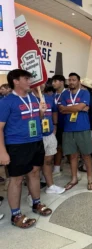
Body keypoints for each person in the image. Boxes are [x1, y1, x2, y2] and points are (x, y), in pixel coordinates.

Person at [0, 69, 52, 228]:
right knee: (16, 179)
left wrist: (42, 113)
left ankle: (36, 203)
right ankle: (15, 215)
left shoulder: (33, 98)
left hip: (36, 141)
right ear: (15, 81)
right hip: (17, 145)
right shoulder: (6, 101)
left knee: (35, 173)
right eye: (26, 78)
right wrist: (2, 152)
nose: (30, 81)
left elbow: (37, 118)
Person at [58, 72, 92, 191]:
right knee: (72, 156)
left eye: (74, 80)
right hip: (68, 129)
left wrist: (71, 108)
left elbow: (78, 107)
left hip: (83, 128)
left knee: (86, 155)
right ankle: (74, 178)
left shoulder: (85, 93)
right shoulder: (64, 95)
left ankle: (90, 178)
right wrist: (79, 108)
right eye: (70, 80)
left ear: (79, 82)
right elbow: (61, 110)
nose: (71, 82)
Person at [30, 85, 65, 195]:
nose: (41, 84)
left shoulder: (49, 98)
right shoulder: (28, 99)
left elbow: (54, 111)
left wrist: (54, 125)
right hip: (36, 136)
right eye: (38, 82)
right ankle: (32, 194)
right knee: (34, 166)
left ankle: (50, 185)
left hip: (49, 134)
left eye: (43, 82)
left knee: (48, 161)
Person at [51, 75, 66, 176]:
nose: (53, 83)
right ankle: (56, 167)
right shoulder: (52, 95)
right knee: (57, 146)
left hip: (66, 124)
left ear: (61, 82)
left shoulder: (68, 94)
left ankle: (75, 171)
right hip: (54, 125)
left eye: (55, 81)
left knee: (68, 147)